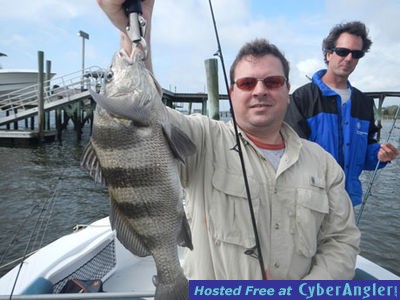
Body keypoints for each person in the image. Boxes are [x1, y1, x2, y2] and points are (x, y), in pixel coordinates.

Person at [97, 0, 360, 280]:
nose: (260, 91)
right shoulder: (203, 139)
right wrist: (132, 29)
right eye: (247, 83)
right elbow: (144, 111)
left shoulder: (324, 164)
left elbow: (341, 240)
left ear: (288, 89)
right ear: (231, 92)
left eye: (272, 82)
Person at [285, 21, 399, 206]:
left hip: (347, 203)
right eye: (342, 51)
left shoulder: (364, 103)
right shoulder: (301, 98)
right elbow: (288, 154)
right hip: (308, 202)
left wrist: (380, 155)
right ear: (329, 54)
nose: (348, 58)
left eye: (356, 54)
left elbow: (367, 157)